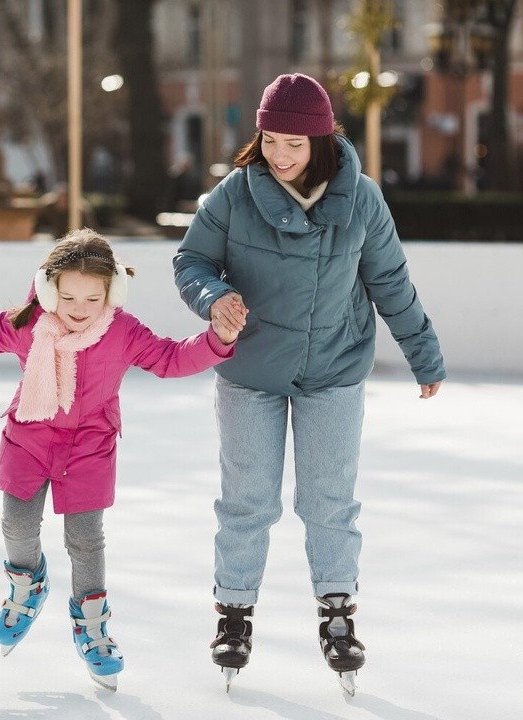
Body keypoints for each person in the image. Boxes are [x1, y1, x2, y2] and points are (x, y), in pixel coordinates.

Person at [0, 228, 239, 691]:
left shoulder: (122, 331)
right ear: (49, 290)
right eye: (68, 297)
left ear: (111, 293)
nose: (80, 309)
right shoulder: (27, 325)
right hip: (29, 437)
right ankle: (28, 585)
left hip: (89, 447)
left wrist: (217, 338)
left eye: (92, 297)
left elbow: (170, 359)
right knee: (17, 525)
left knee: (86, 540)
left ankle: (92, 624)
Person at [172, 73, 446, 693]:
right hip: (250, 371)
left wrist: (423, 355)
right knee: (247, 501)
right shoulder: (235, 194)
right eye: (271, 140)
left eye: (294, 143)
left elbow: (390, 283)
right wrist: (213, 298)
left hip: (334, 368)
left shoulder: (364, 198)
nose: (281, 155)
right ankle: (234, 612)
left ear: (321, 140)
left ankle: (338, 612)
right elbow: (191, 260)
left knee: (329, 502)